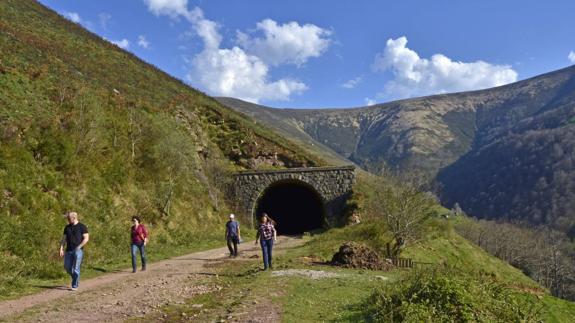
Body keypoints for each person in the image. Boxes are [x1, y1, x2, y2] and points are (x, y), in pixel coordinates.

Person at [59, 211, 89, 291]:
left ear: (74, 218)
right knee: (67, 267)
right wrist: (61, 248)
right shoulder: (67, 227)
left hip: (78, 250)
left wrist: (79, 246)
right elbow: (64, 239)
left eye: (69, 219)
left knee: (75, 268)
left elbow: (86, 238)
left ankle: (74, 285)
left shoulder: (82, 227)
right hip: (68, 250)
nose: (68, 220)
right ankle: (75, 278)